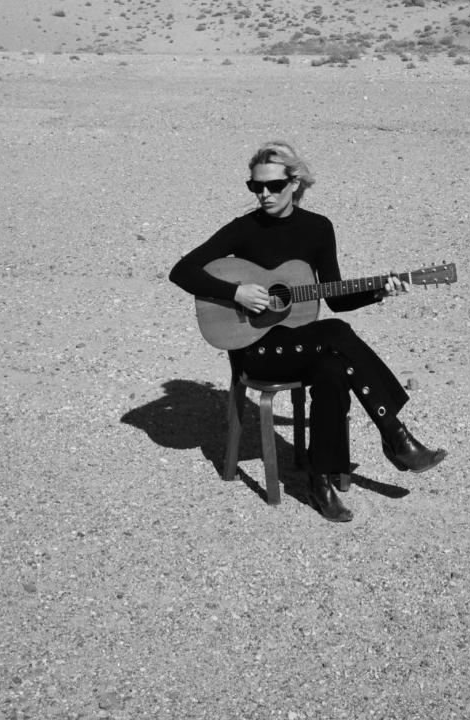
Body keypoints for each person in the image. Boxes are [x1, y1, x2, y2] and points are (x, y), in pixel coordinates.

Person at [169, 140, 446, 523]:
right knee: (337, 334)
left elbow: (337, 299)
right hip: (256, 351)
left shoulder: (318, 229)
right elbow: (182, 271)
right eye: (255, 186)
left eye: (273, 185)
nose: (264, 194)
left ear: (295, 183)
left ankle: (320, 481)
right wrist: (236, 293)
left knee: (332, 367)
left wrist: (380, 290)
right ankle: (395, 435)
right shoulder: (242, 229)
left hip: (301, 345)